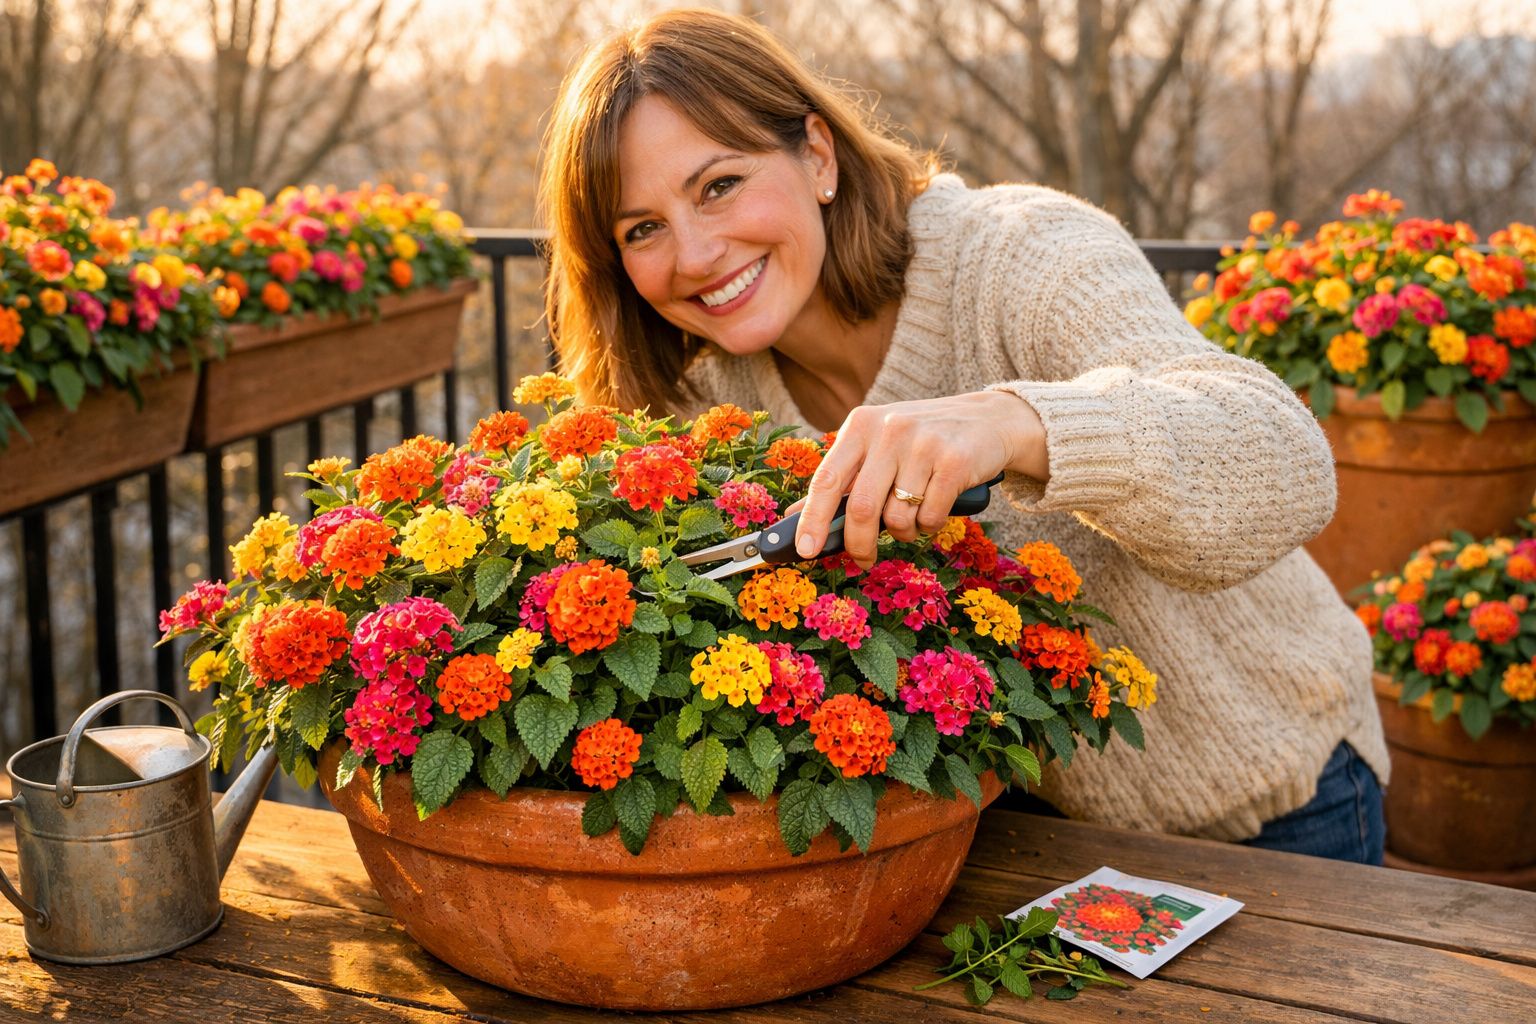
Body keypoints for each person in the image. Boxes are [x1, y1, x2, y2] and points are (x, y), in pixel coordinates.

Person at [537, 7, 1388, 864]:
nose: (693, 253)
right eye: (641, 228)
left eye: (718, 185)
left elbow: (1281, 460)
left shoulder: (1018, 254)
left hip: (1273, 800)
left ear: (819, 157)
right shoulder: (699, 410)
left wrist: (1018, 423)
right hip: (1015, 829)